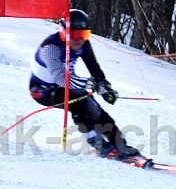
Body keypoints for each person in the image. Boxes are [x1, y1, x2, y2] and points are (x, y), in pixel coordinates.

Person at [29, 9, 140, 159]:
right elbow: (61, 79)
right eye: (76, 35)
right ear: (64, 32)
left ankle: (120, 144)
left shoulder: (83, 44)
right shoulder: (50, 47)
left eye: (85, 34)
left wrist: (105, 88)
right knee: (79, 103)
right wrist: (91, 84)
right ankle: (98, 143)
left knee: (95, 109)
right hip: (43, 90)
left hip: (68, 85)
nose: (80, 39)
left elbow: (94, 68)